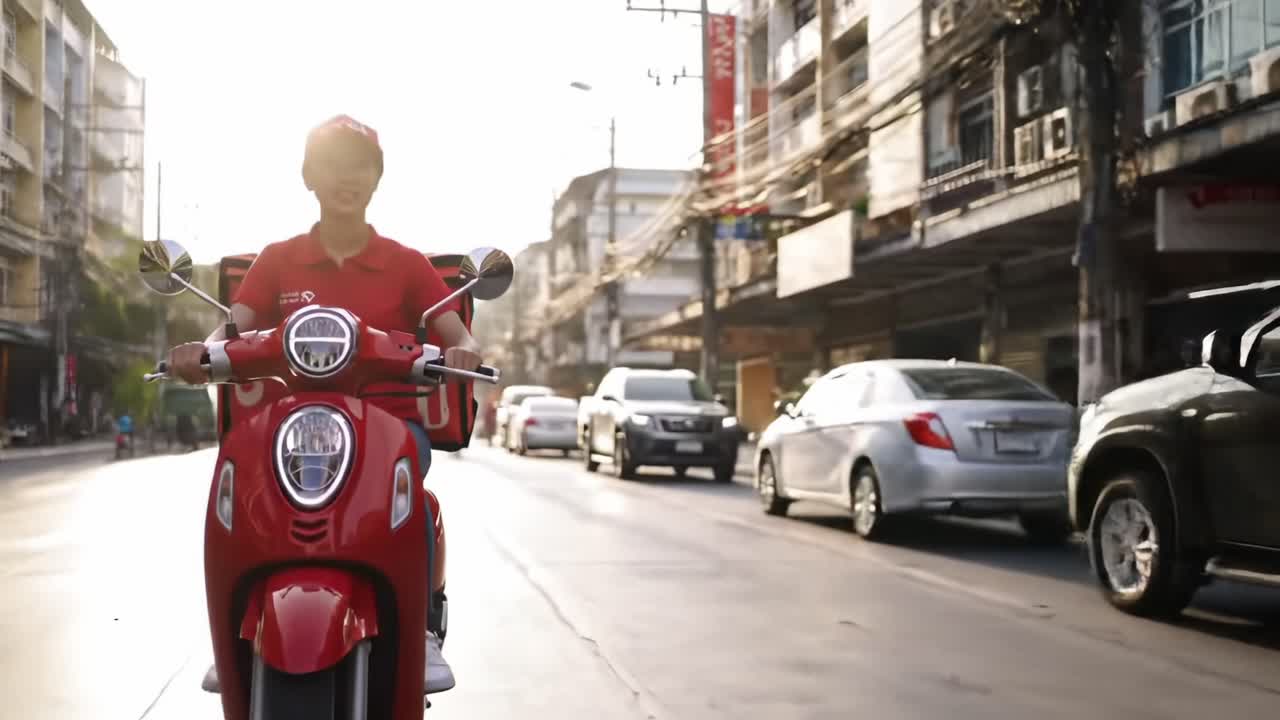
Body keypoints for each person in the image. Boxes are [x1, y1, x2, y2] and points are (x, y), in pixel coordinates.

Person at [168, 114, 481, 695]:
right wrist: (201, 352)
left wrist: (463, 351)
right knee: (236, 492)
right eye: (334, 165)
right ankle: (233, 627)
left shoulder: (405, 262)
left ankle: (422, 631)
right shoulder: (279, 259)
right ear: (309, 175)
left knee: (413, 491)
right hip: (292, 425)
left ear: (377, 180)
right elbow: (233, 329)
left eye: (361, 167)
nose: (348, 177)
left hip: (391, 425)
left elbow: (453, 332)